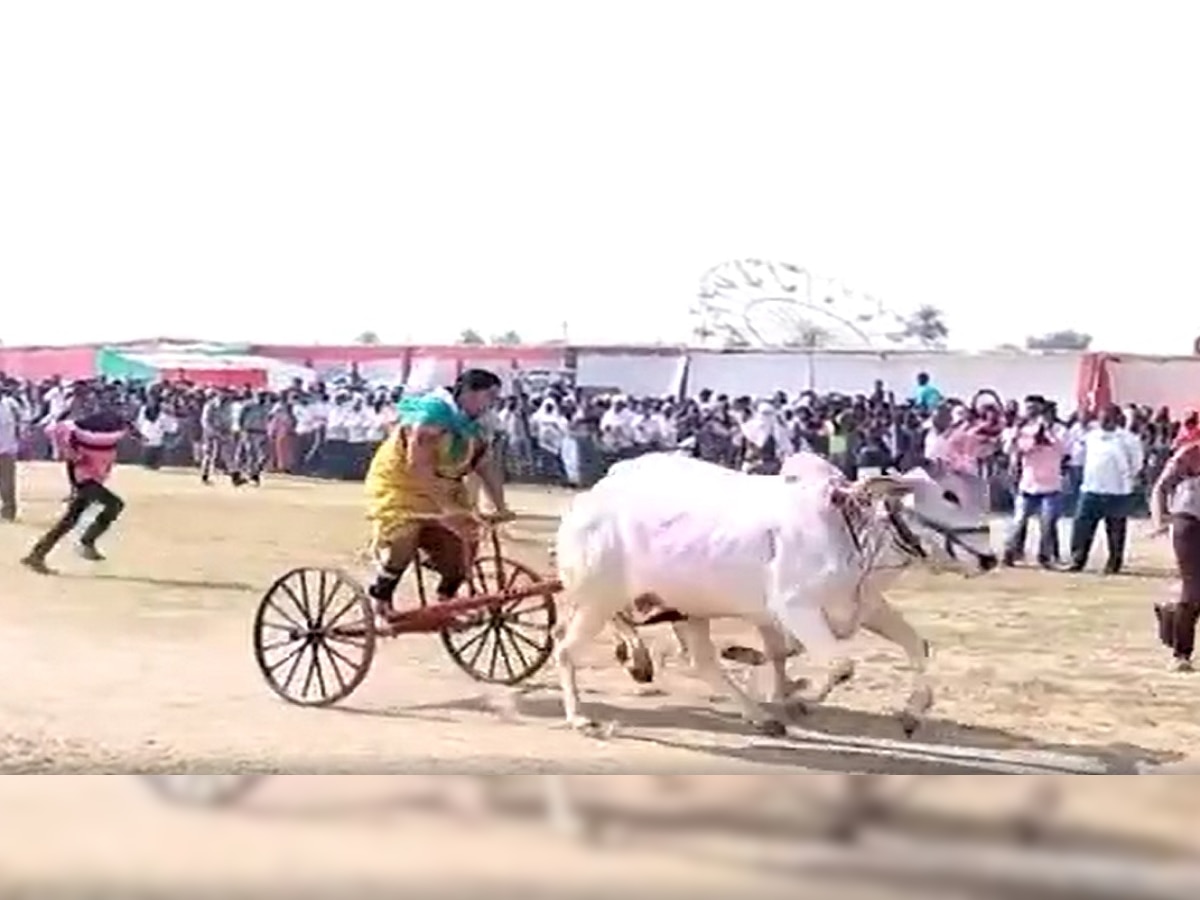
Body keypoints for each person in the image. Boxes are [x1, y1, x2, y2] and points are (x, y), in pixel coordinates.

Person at [363, 369, 514, 622]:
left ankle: (447, 598)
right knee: (405, 535)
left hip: (447, 486)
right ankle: (382, 595)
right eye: (489, 397)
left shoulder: (479, 425)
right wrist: (446, 509)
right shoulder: (431, 417)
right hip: (402, 485)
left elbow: (485, 466)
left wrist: (500, 506)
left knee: (467, 537)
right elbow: (417, 466)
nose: (492, 404)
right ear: (467, 393)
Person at [21, 409, 129, 573]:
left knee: (69, 520)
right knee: (114, 504)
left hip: (91, 480)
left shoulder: (104, 440)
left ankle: (37, 554)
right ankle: (86, 542)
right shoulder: (80, 436)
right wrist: (69, 453)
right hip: (85, 481)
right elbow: (53, 429)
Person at [1067, 405, 1143, 574]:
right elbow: (1078, 455)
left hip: (1117, 491)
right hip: (1091, 489)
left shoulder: (1128, 439)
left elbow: (1137, 463)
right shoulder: (1092, 437)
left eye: (1107, 417)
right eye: (1101, 417)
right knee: (1082, 527)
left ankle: (1113, 563)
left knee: (1115, 531)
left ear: (1116, 418)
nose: (1103, 421)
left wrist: (1126, 479)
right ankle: (1077, 560)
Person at [1149, 440, 1200, 671]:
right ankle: (1181, 654)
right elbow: (1161, 487)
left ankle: (1172, 612)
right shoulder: (1191, 453)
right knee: (1194, 590)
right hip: (1190, 522)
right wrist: (1160, 520)